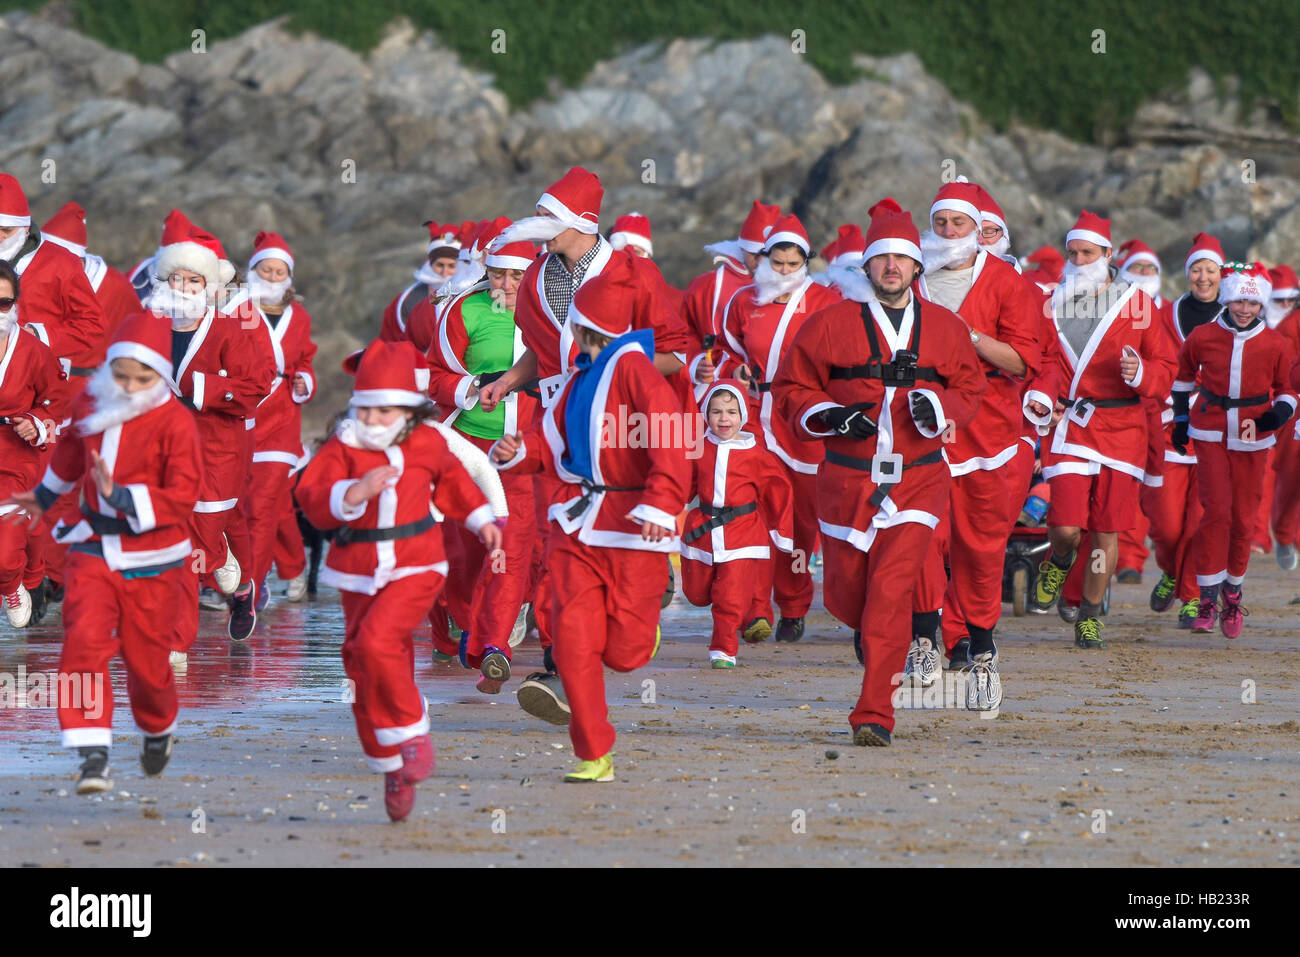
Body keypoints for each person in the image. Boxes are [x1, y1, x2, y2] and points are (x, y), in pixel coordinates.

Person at [478, 166, 695, 724]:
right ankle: (558, 665)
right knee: (558, 541)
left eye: (550, 217)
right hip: (557, 418)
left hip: (622, 425)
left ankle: (639, 609)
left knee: (617, 547)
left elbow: (676, 351)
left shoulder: (633, 274)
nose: (539, 226)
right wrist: (507, 382)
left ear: (581, 222)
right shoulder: (532, 278)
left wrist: (617, 372)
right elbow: (538, 350)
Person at [773, 203, 985, 745]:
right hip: (847, 480)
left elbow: (970, 390)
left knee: (891, 592)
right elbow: (792, 388)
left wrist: (936, 408)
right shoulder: (829, 324)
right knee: (848, 598)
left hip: (918, 479)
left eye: (902, 259)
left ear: (918, 268)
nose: (891, 267)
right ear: (866, 267)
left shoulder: (945, 327)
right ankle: (870, 636)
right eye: (881, 258)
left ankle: (874, 713)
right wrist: (827, 414)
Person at [296, 339, 500, 820]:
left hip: (417, 564)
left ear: (408, 411)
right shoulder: (343, 445)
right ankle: (390, 763)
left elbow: (455, 484)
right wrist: (353, 491)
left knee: (376, 643)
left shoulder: (426, 441)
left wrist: (482, 520)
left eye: (384, 411)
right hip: (357, 570)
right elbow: (309, 495)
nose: (372, 421)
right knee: (361, 666)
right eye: (365, 410)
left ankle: (411, 730)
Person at [2, 312, 201, 793]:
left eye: (143, 377)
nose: (131, 386)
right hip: (92, 546)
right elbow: (70, 449)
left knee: (146, 661)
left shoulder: (175, 423)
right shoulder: (93, 397)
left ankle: (157, 727)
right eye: (122, 374)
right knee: (83, 643)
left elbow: (184, 492)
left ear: (160, 376)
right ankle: (92, 751)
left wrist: (123, 498)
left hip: (153, 557)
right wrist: (46, 496)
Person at [907, 181, 1039, 690]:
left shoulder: (1007, 282)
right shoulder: (911, 278)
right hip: (922, 428)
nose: (947, 232)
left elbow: (1023, 360)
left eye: (957, 223)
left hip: (988, 431)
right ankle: (924, 639)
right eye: (939, 223)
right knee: (923, 537)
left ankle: (980, 643)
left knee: (979, 547)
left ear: (975, 227)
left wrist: (970, 336)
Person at [1031, 211, 1178, 648]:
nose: (1077, 259)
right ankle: (1058, 558)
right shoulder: (1051, 300)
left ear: (1109, 255)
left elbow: (1167, 367)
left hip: (1123, 427)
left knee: (1107, 530)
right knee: (1065, 524)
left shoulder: (1137, 302)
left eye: (1087, 252)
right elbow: (1041, 360)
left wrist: (1141, 373)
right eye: (1072, 252)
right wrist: (1045, 399)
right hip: (1072, 424)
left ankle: (1090, 615)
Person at [706, 213, 842, 643]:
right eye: (777, 262)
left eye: (792, 263)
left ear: (805, 263)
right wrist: (734, 375)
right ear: (763, 258)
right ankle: (753, 608)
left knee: (800, 519)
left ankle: (795, 603)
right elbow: (725, 353)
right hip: (753, 417)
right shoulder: (743, 300)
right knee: (752, 513)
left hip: (801, 421)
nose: (783, 271)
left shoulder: (825, 300)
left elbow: (839, 358)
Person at [144, 221, 275, 657]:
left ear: (209, 283)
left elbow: (258, 386)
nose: (181, 286)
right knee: (178, 550)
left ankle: (228, 570)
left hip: (218, 450)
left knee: (209, 531)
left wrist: (198, 387)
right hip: (162, 454)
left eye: (193, 279)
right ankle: (176, 643)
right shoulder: (148, 327)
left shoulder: (232, 327)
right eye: (175, 277)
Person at [425, 231, 540, 692]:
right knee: (467, 551)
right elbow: (433, 374)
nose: (508, 284)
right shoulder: (463, 311)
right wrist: (473, 386)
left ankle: (495, 646)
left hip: (525, 448)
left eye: (518, 274)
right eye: (499, 274)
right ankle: (469, 626)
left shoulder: (553, 312)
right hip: (468, 445)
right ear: (485, 272)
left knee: (512, 550)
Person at [1173, 263, 1296, 636]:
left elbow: (1289, 388)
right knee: (1216, 513)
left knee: (1243, 518)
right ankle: (1207, 597)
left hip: (1253, 433)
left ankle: (1233, 594)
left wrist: (1278, 414)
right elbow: (1181, 380)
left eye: (1253, 304)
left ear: (1261, 305)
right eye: (1239, 302)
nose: (1245, 310)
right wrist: (1179, 421)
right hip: (1210, 430)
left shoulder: (1275, 342)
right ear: (1227, 300)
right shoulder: (1203, 335)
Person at [680, 380, 794, 667]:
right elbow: (683, 485)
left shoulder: (756, 452)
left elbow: (778, 488)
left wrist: (782, 532)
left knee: (728, 596)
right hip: (702, 531)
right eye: (716, 412)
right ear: (706, 415)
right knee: (696, 594)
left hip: (743, 532)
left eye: (731, 412)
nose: (723, 419)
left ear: (742, 414)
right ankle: (750, 612)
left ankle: (723, 650)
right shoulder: (698, 447)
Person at [1142, 233, 1223, 626]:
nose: (1203, 277)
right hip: (1168, 430)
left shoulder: (1235, 317)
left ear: (1221, 274)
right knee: (1166, 524)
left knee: (1200, 522)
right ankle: (1171, 570)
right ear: (1186, 272)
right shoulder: (1164, 314)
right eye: (1196, 269)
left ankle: (1191, 595)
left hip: (1215, 435)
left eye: (1210, 269)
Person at [234, 232, 318, 610]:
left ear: (288, 275)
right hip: (241, 415)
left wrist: (305, 379)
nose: (270, 275)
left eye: (278, 270)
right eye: (264, 269)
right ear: (252, 271)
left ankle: (252, 581)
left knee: (262, 504)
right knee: (265, 503)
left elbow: (305, 359)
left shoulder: (298, 316)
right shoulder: (233, 308)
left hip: (283, 417)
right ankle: (294, 565)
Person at [0, 261, 63, 627]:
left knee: (8, 554)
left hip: (15, 459)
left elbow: (57, 402)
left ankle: (15, 584)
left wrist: (36, 423)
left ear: (16, 305)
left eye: (4, 303)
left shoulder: (34, 352)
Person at [680, 201, 778, 346]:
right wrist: (698, 362)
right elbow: (684, 337)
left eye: (767, 254)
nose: (760, 261)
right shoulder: (706, 287)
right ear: (742, 249)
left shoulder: (794, 290)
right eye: (753, 254)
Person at [378, 220, 464, 343]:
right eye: (439, 265)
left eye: (451, 266)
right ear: (430, 263)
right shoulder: (407, 302)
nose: (444, 272)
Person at [1269, 265, 1300, 570]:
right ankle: (1284, 534)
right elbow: (1290, 375)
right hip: (1294, 411)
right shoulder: (1291, 327)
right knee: (1290, 480)